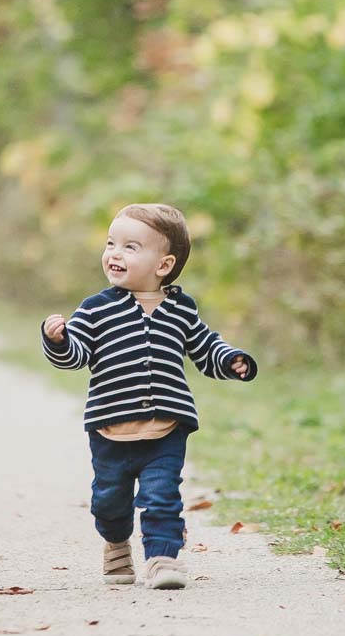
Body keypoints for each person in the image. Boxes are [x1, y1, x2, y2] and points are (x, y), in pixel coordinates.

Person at [41, 203, 257, 589]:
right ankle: (116, 543)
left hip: (167, 426)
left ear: (163, 265)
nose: (115, 253)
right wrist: (57, 339)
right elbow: (76, 356)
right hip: (111, 427)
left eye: (130, 246)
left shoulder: (181, 310)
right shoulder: (95, 309)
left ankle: (162, 558)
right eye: (111, 243)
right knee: (109, 501)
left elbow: (206, 347)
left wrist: (231, 360)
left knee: (162, 496)